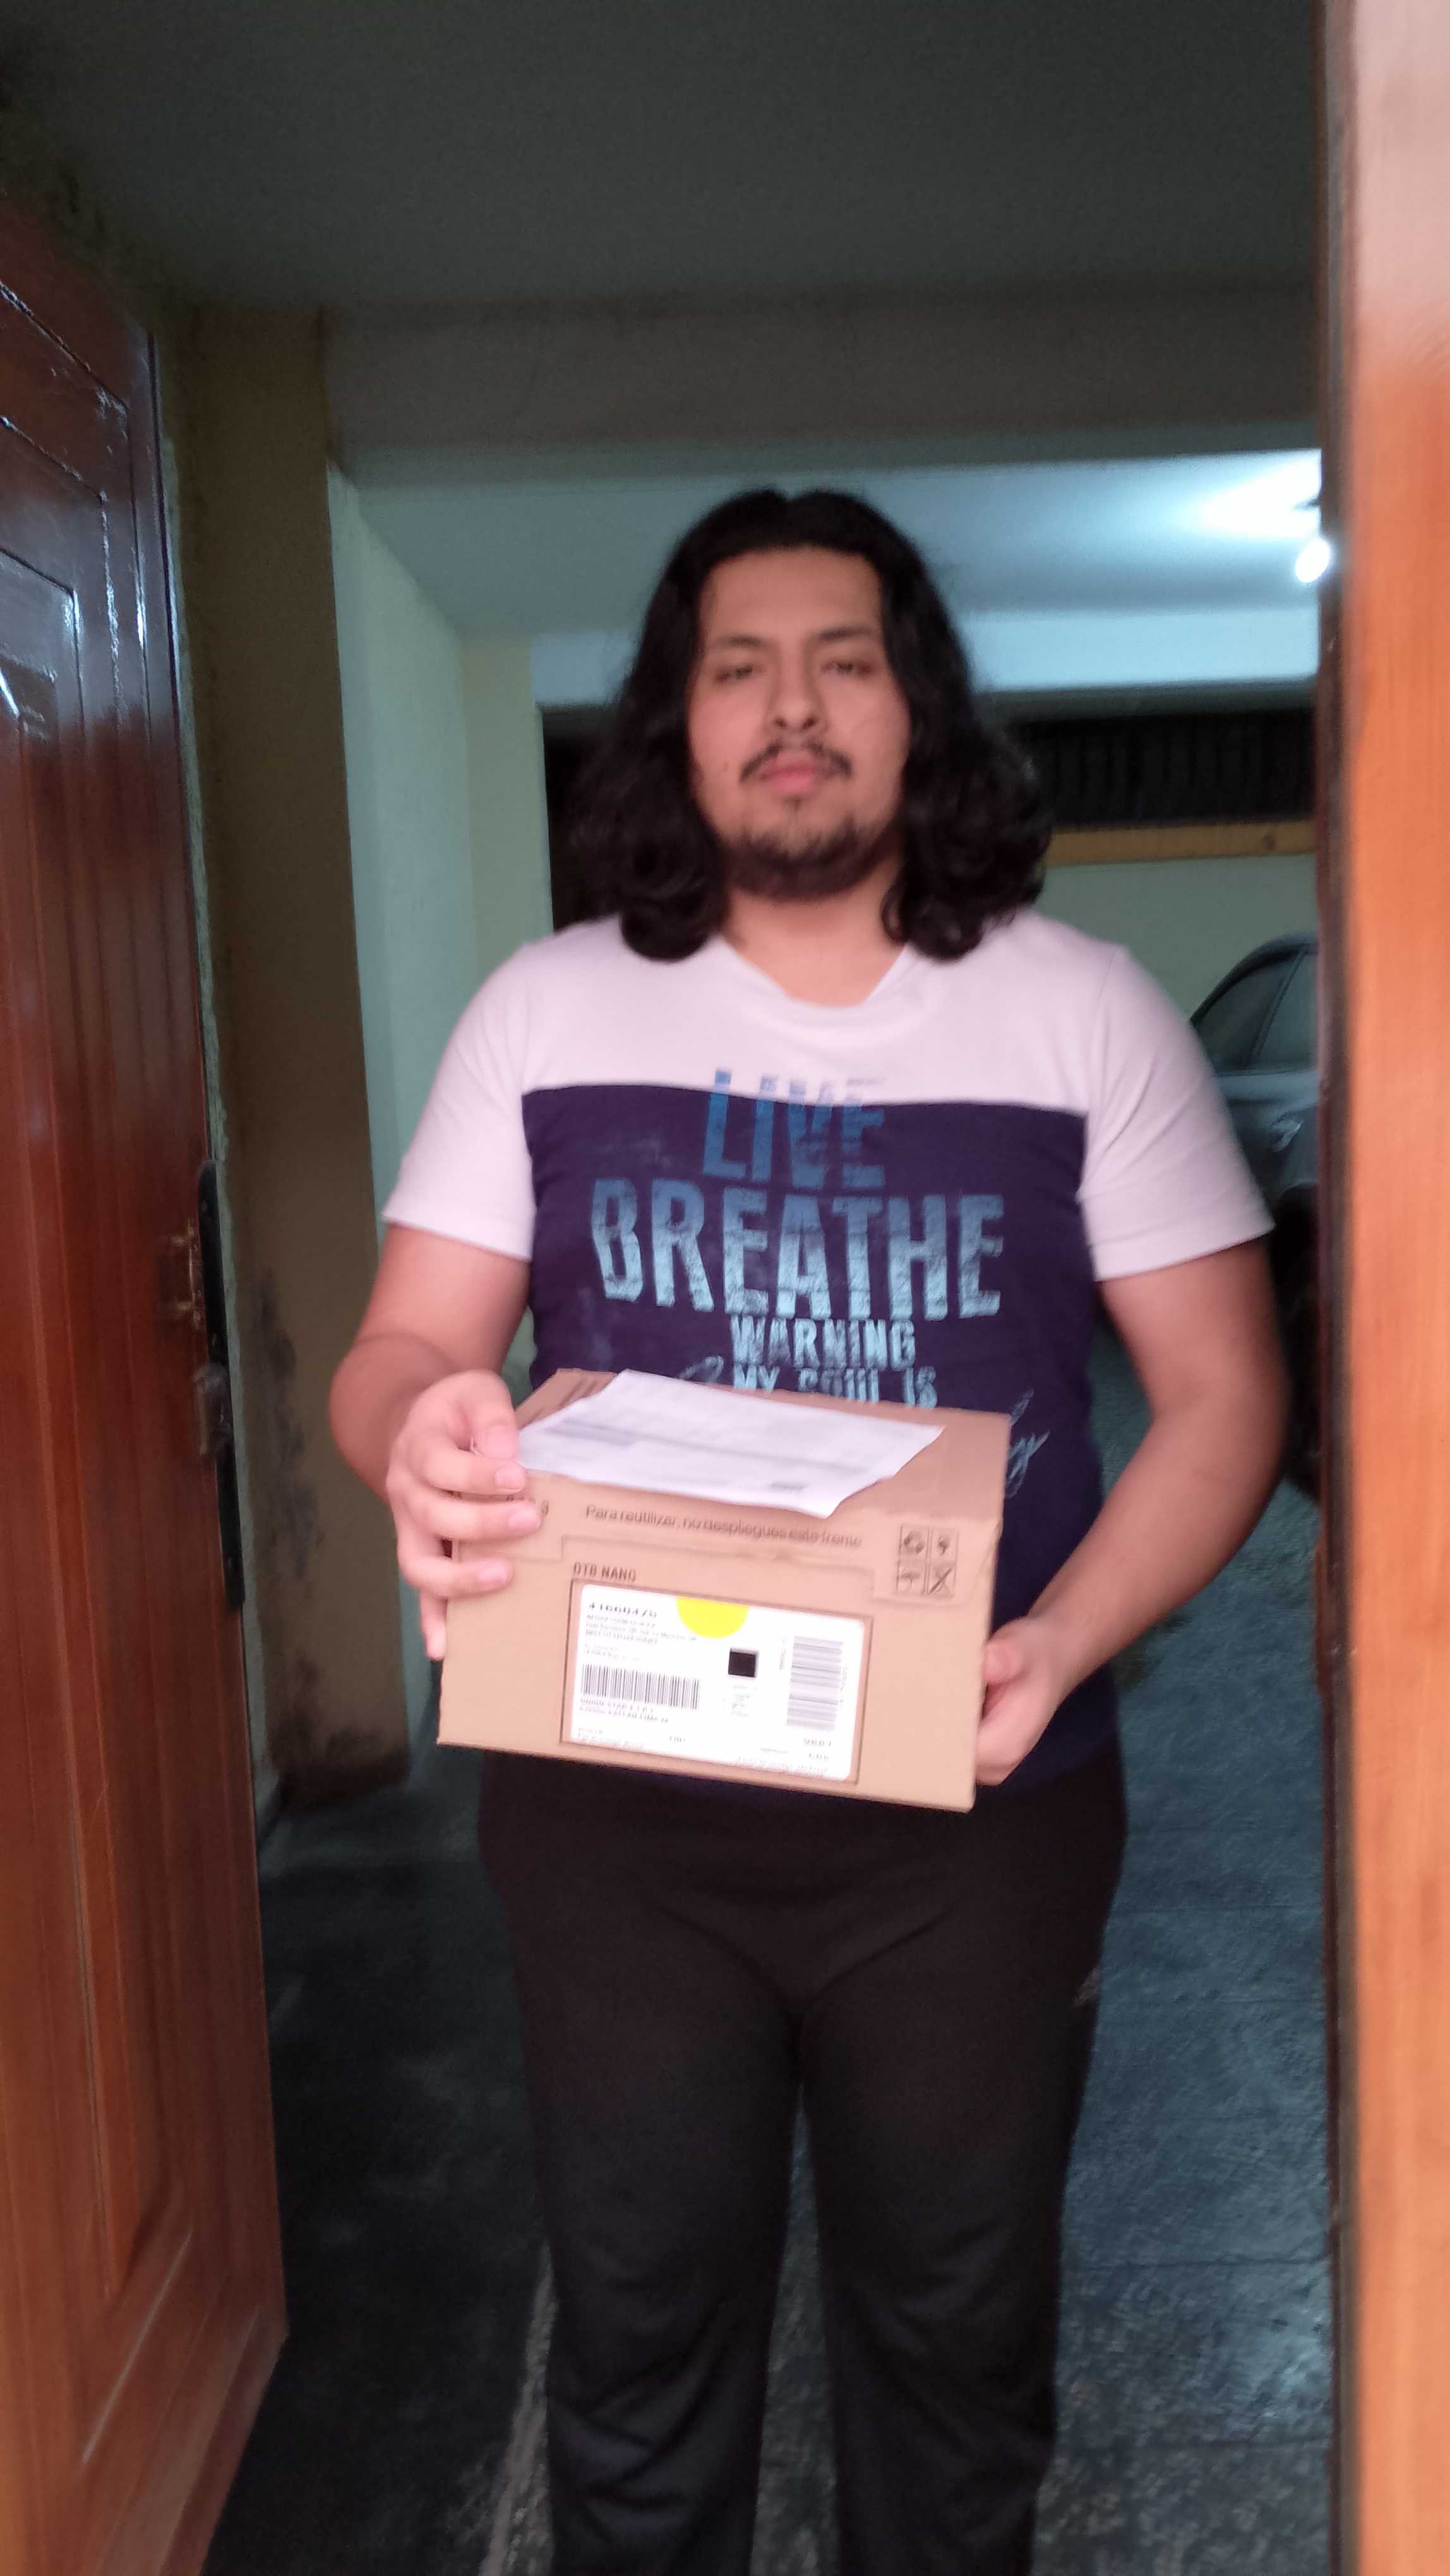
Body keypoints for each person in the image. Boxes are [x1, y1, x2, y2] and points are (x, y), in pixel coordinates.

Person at [330, 488, 1287, 2575]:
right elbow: (403, 1347)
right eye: (739, 667)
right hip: (621, 1813)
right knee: (639, 2351)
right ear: (674, 723)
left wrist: (1069, 1639)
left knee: (955, 2355)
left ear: (914, 706)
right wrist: (420, 1434)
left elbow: (1225, 1398)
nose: (792, 708)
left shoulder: (1081, 1014)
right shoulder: (547, 1013)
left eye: (843, 662)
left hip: (980, 1805)